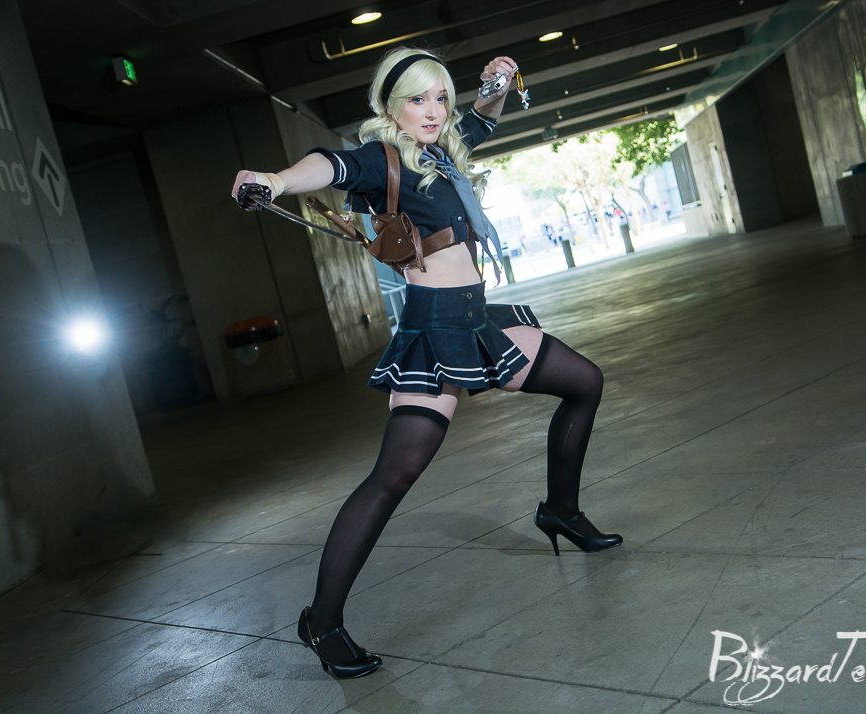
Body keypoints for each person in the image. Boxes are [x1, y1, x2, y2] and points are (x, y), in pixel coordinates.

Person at [231, 47, 622, 680]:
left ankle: (560, 510)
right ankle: (321, 621)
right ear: (391, 107)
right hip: (434, 329)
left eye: (440, 97)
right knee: (393, 476)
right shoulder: (380, 157)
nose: (434, 110)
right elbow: (326, 164)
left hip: (476, 319)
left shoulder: (441, 152)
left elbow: (482, 119)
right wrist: (274, 181)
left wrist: (497, 84)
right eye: (418, 99)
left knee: (584, 382)